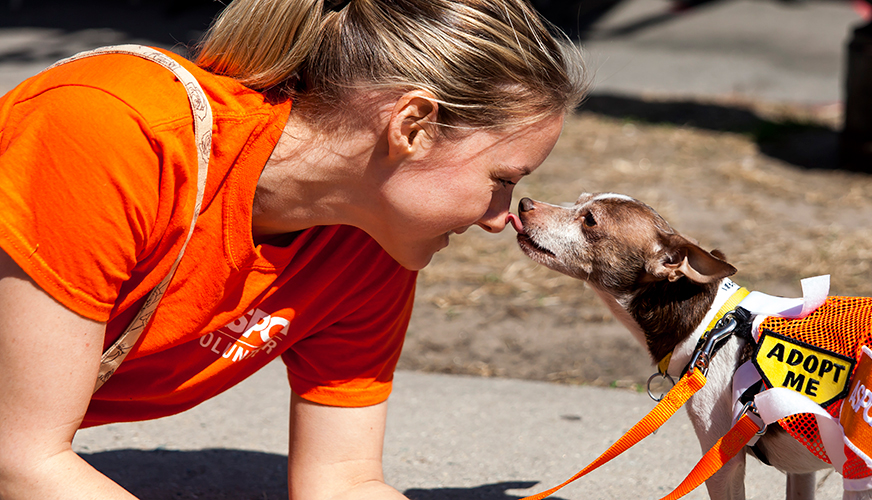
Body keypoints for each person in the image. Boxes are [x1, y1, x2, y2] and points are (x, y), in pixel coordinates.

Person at [0, 0, 587, 498]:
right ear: (413, 126)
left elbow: (343, 479)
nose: (501, 217)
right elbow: (20, 459)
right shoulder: (114, 130)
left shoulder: (370, 241)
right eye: (503, 178)